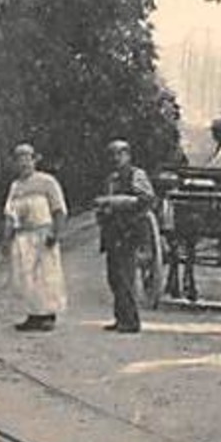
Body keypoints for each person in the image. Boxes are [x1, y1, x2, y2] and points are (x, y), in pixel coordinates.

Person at [2, 143, 68, 332]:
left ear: (34, 160)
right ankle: (33, 315)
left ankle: (48, 315)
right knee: (26, 276)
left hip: (43, 233)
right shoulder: (15, 186)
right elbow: (10, 214)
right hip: (23, 236)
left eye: (27, 158)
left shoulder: (47, 182)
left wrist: (56, 233)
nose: (23, 162)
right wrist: (6, 240)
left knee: (46, 275)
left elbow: (59, 210)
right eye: (19, 158)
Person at [94, 139, 155, 334]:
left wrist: (115, 201)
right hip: (112, 231)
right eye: (112, 154)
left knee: (125, 276)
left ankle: (130, 321)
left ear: (128, 155)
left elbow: (146, 199)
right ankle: (121, 317)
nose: (116, 158)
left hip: (129, 229)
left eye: (120, 154)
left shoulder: (137, 175)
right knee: (114, 277)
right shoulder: (111, 178)